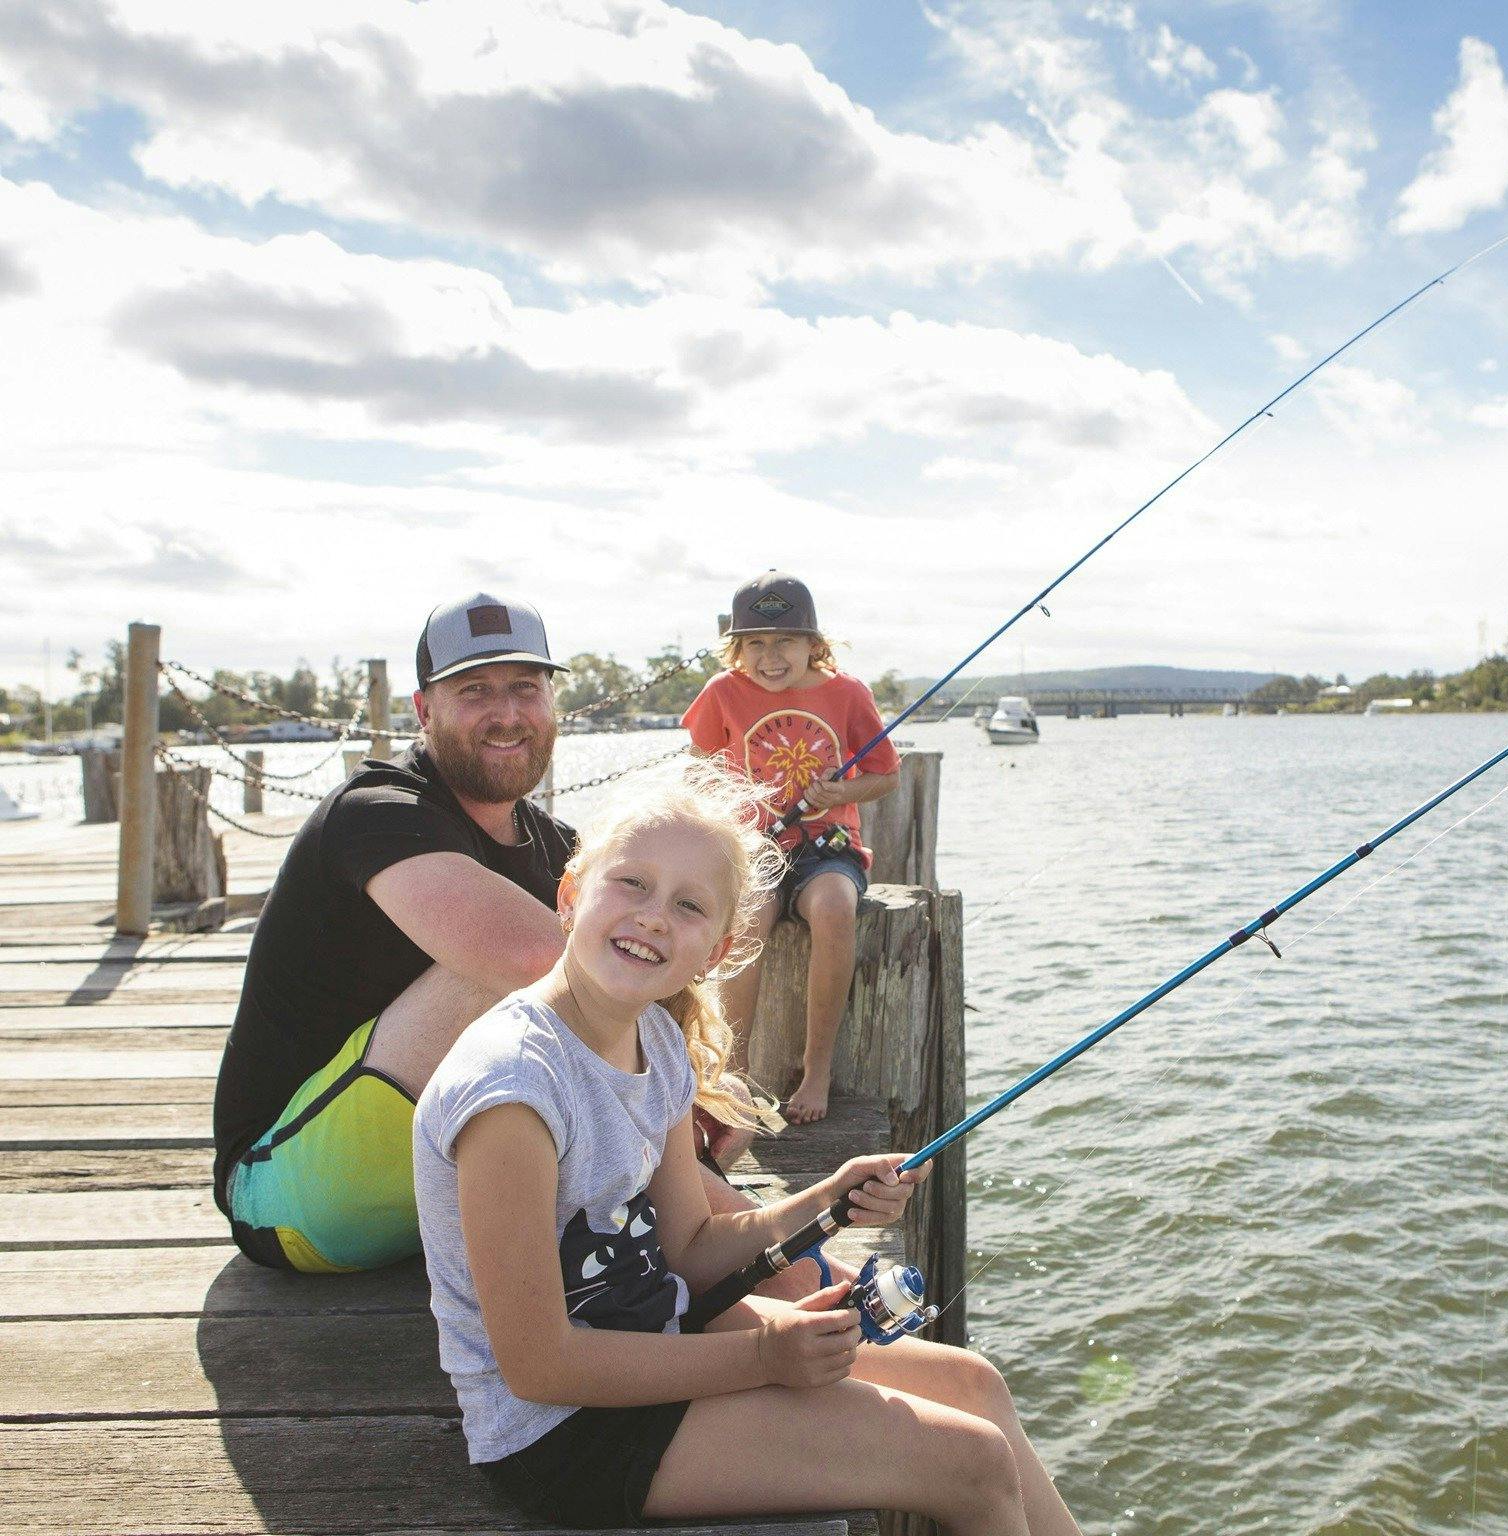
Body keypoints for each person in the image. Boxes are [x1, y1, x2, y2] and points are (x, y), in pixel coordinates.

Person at [413, 761, 1077, 1533]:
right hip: (561, 1432)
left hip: (656, 1333)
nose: (655, 916)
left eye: (689, 905)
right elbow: (539, 1364)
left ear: (719, 948)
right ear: (569, 896)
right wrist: (765, 1360)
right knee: (972, 1463)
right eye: (631, 884)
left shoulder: (653, 1041)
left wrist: (820, 1199)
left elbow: (690, 1244)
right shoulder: (515, 1090)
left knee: (973, 1384)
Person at [210, 592, 774, 1275]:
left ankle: (676, 1207)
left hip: (434, 1194)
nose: (507, 713)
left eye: (525, 688)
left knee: (717, 1099)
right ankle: (708, 1227)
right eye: (475, 690)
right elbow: (540, 961)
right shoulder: (375, 812)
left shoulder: (556, 848)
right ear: (424, 712)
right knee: (539, 971)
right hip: (288, 1198)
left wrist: (696, 1102)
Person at [683, 571, 899, 1125]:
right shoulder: (721, 693)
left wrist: (843, 792)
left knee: (834, 909)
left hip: (828, 847)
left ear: (813, 645)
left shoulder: (848, 693)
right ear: (736, 648)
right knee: (746, 919)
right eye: (755, 642)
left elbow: (885, 775)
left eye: (785, 641)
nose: (770, 656)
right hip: (753, 844)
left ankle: (816, 1067)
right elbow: (701, 764)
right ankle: (735, 1069)